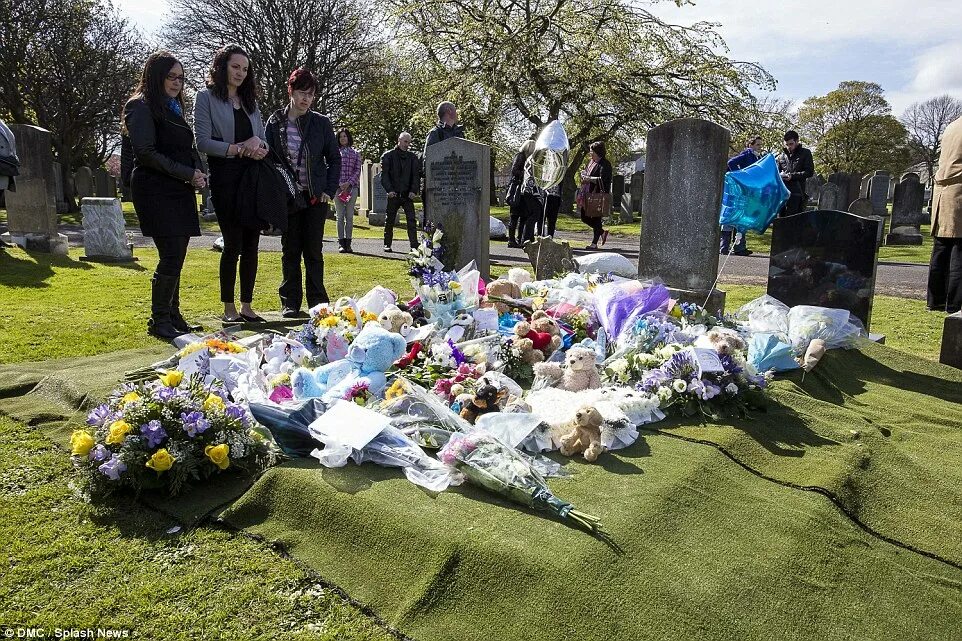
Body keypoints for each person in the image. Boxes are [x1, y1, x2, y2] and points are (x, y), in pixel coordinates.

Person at [123, 51, 207, 340]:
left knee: (178, 255)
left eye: (181, 77)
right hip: (155, 188)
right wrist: (187, 173)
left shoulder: (173, 108)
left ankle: (173, 315)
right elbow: (145, 153)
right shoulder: (140, 106)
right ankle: (158, 320)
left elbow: (187, 146)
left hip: (178, 188)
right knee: (170, 254)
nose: (177, 82)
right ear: (155, 76)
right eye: (171, 76)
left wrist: (197, 170)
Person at [194, 44, 270, 323]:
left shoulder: (251, 101)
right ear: (222, 66)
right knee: (233, 244)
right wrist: (238, 148)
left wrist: (259, 144)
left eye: (245, 69)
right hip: (225, 178)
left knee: (252, 243)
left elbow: (263, 140)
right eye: (235, 66)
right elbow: (202, 141)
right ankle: (228, 307)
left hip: (252, 178)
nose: (240, 73)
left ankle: (247, 306)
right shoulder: (205, 98)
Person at [265, 67, 340, 318]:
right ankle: (290, 302)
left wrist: (328, 189)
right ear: (290, 91)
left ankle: (318, 302)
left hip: (315, 196)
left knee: (314, 251)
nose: (305, 99)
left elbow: (334, 159)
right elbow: (270, 160)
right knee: (290, 250)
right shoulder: (275, 122)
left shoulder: (321, 123)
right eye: (301, 93)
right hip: (288, 197)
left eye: (310, 94)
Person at [927, 115, 962, 314]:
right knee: (959, 251)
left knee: (941, 250)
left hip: (942, 194)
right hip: (958, 193)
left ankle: (935, 300)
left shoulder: (952, 126)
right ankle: (955, 304)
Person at [721, 135, 764, 255]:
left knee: (740, 219)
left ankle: (737, 246)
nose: (760, 147)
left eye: (760, 144)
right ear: (751, 145)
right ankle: (729, 247)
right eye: (757, 144)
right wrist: (740, 175)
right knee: (737, 218)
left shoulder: (757, 157)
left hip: (749, 190)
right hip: (742, 190)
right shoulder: (747, 154)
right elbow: (731, 162)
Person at [380, 132, 420, 252]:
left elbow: (415, 176)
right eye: (405, 141)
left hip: (407, 194)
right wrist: (390, 190)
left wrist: (413, 190)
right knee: (390, 220)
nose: (407, 144)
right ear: (399, 140)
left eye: (408, 142)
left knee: (411, 220)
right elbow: (384, 176)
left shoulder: (413, 157)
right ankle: (387, 244)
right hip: (394, 194)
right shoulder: (388, 156)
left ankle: (414, 245)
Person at [577, 141, 613, 250]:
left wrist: (589, 179)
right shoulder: (592, 163)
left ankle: (594, 243)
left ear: (597, 152)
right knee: (584, 217)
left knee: (596, 218)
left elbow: (603, 180)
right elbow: (588, 175)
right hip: (588, 194)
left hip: (598, 195)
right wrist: (584, 178)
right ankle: (602, 232)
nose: (590, 153)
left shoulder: (605, 164)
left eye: (592, 151)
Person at [334, 128, 361, 253]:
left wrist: (348, 183)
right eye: (340, 136)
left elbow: (357, 170)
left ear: (348, 137)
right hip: (338, 189)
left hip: (351, 189)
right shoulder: (334, 153)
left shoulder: (355, 153)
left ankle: (348, 243)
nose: (343, 138)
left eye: (345, 136)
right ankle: (341, 242)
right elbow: (332, 169)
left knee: (349, 216)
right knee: (340, 216)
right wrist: (339, 184)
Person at [776, 130, 814, 217]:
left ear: (797, 141)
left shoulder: (805, 153)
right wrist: (781, 175)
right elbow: (777, 173)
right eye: (787, 144)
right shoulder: (781, 156)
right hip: (783, 194)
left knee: (793, 223)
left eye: (791, 144)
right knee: (780, 223)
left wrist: (792, 176)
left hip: (797, 193)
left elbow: (809, 172)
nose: (789, 147)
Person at [506, 140, 534, 247]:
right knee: (514, 216)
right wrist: (526, 174)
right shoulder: (521, 156)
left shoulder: (526, 158)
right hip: (518, 190)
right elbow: (514, 171)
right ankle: (511, 239)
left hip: (523, 191)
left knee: (523, 216)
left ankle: (520, 238)